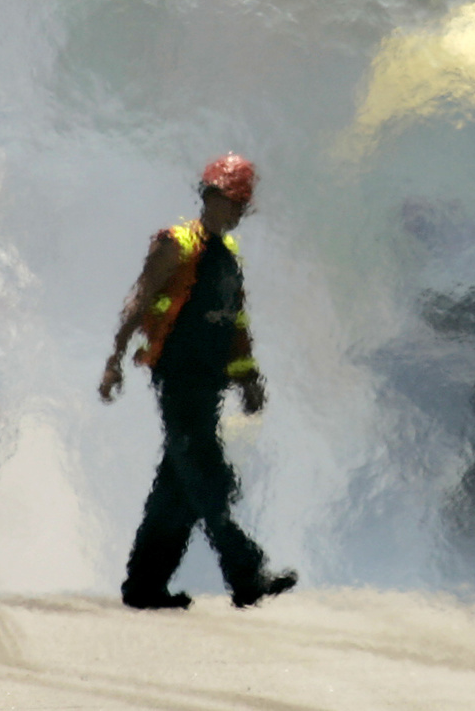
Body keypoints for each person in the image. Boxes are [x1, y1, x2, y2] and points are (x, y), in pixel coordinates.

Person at [100, 153, 297, 609]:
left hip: (209, 384)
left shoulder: (228, 260)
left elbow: (235, 326)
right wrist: (114, 359)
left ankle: (145, 586)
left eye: (241, 205)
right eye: (229, 201)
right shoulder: (177, 244)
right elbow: (140, 299)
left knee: (178, 487)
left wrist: (248, 380)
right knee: (210, 476)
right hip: (179, 378)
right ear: (209, 196)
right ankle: (246, 573)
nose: (235, 212)